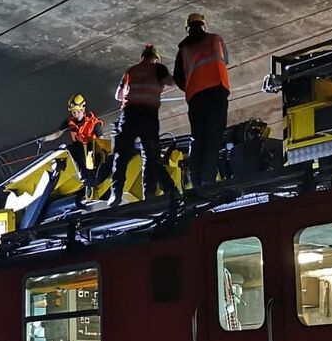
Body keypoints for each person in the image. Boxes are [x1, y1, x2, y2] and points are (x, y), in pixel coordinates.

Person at [109, 44, 177, 205]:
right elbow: (172, 82)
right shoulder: (158, 69)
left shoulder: (130, 71)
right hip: (148, 116)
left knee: (121, 155)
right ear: (155, 59)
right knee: (150, 156)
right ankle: (149, 193)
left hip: (129, 115)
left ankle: (116, 193)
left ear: (142, 58)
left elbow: (118, 95)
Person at [173, 12, 230, 190]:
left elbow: (178, 77)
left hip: (196, 98)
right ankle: (207, 180)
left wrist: (192, 86)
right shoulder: (215, 40)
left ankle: (196, 181)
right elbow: (225, 60)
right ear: (203, 25)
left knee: (197, 139)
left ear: (187, 29)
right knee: (212, 138)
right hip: (216, 91)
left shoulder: (183, 50)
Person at [42, 94, 104, 197]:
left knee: (90, 163)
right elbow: (58, 134)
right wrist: (44, 139)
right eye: (73, 112)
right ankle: (86, 182)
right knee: (72, 148)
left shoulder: (94, 123)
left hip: (92, 147)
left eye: (78, 111)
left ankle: (91, 182)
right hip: (79, 147)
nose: (76, 114)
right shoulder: (70, 122)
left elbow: (101, 140)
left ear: (83, 109)